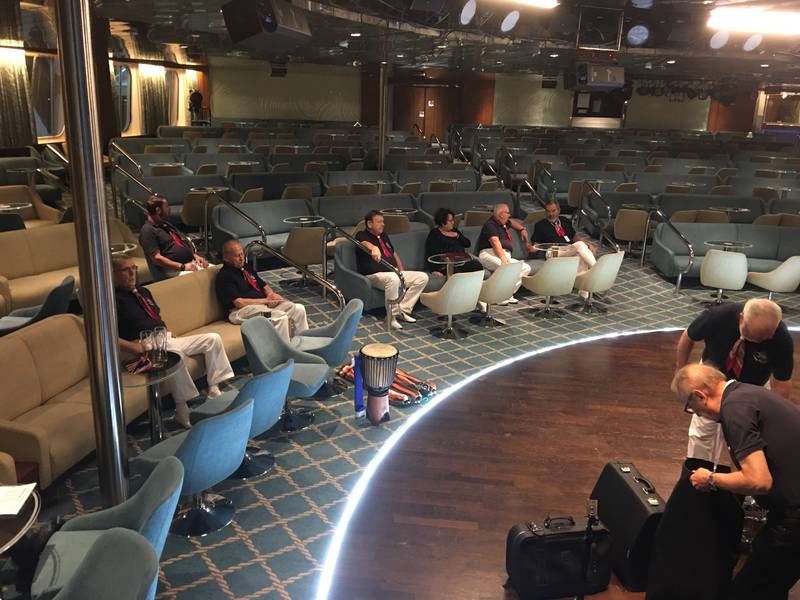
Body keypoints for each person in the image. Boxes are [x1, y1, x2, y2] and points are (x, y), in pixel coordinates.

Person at [672, 363, 800, 600]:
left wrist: (711, 479)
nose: (698, 415)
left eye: (693, 409)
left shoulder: (734, 410)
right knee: (772, 583)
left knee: (749, 591)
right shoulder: (749, 394)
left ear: (700, 396)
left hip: (794, 515)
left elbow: (759, 481)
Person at [113, 256, 234, 428]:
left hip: (164, 339)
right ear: (114, 274)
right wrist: (134, 347)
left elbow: (153, 317)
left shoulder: (142, 292)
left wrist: (166, 330)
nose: (133, 273)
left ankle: (214, 388)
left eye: (134, 268)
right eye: (127, 270)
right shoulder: (112, 300)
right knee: (175, 357)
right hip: (140, 353)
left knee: (212, 339)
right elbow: (107, 336)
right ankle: (181, 408)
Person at [675, 298, 794, 469]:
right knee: (703, 431)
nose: (755, 342)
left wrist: (775, 417)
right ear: (741, 318)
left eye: (762, 339)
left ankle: (742, 477)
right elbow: (688, 336)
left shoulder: (781, 338)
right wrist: (681, 371)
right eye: (751, 336)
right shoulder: (717, 316)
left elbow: (782, 382)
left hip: (752, 387)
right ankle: (697, 473)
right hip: (711, 380)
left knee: (747, 437)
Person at [215, 239, 308, 340]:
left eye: (242, 254)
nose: (241, 258)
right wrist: (266, 300)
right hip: (243, 312)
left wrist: (271, 294)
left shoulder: (246, 267)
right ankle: (282, 349)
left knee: (298, 309)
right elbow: (239, 303)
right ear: (226, 258)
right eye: (237, 256)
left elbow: (263, 285)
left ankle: (305, 344)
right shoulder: (225, 276)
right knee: (278, 316)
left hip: (263, 307)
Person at [354, 210, 428, 331]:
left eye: (383, 221)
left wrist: (401, 271)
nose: (383, 224)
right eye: (379, 222)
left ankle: (402, 310)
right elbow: (365, 243)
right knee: (393, 279)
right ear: (369, 224)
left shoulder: (384, 235)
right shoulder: (361, 235)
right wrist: (374, 248)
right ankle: (391, 317)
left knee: (422, 277)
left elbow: (393, 254)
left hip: (392, 272)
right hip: (373, 275)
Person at [139, 195, 208, 279]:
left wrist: (196, 257)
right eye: (167, 207)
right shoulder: (147, 231)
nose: (169, 209)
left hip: (189, 264)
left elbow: (179, 245)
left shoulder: (165, 224)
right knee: (207, 276)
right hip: (174, 270)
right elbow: (156, 258)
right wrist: (182, 267)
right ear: (158, 210)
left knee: (215, 271)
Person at [475, 203, 530, 303]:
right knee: (506, 268)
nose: (509, 215)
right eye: (508, 213)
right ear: (501, 215)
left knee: (526, 268)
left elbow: (512, 222)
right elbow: (495, 242)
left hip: (504, 255)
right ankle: (499, 297)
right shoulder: (490, 224)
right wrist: (503, 257)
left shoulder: (503, 222)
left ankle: (506, 294)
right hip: (490, 254)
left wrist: (522, 229)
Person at [531, 198, 597, 273]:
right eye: (548, 211)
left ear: (559, 210)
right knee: (580, 245)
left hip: (568, 248)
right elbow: (536, 244)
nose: (551, 214)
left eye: (553, 211)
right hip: (553, 251)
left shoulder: (565, 220)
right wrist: (532, 248)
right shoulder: (540, 225)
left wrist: (586, 245)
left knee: (581, 256)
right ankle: (596, 270)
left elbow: (574, 237)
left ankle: (579, 278)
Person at [424, 207, 484, 277]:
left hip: (461, 261)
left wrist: (458, 236)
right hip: (446, 264)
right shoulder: (434, 234)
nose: (453, 223)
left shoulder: (454, 231)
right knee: (457, 273)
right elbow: (430, 253)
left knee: (477, 266)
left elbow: (467, 244)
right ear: (442, 222)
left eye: (453, 220)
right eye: (450, 221)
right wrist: (433, 270)